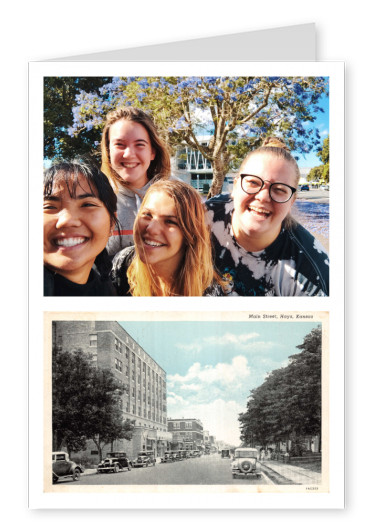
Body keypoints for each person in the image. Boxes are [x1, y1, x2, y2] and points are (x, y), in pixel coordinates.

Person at [206, 137, 329, 296]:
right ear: (235, 186)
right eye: (253, 183)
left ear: (292, 201)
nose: (263, 197)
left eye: (279, 189)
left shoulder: (311, 274)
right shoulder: (203, 216)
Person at [111, 180, 225, 296]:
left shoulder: (210, 294)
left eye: (170, 221)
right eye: (147, 215)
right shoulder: (122, 264)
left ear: (190, 234)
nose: (152, 229)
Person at [100, 106, 171, 257]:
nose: (129, 154)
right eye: (120, 144)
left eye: (139, 144)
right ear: (108, 150)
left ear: (152, 152)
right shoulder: (95, 199)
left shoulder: (176, 197)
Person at [43, 158, 118, 296]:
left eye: (87, 205)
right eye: (49, 207)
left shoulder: (107, 292)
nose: (67, 221)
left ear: (112, 224)